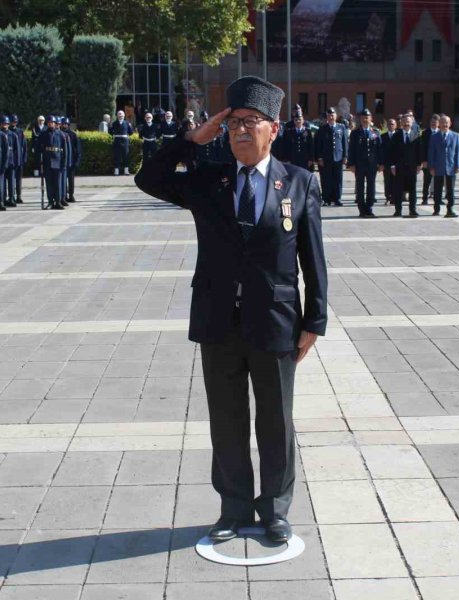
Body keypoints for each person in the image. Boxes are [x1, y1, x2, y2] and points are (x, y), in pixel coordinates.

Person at [134, 75, 328, 545]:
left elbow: (313, 257)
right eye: (234, 121)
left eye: (252, 121)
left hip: (276, 320)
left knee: (276, 421)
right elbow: (149, 179)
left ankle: (275, 510)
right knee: (226, 419)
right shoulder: (208, 180)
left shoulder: (298, 182)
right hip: (218, 319)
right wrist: (191, 139)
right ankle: (234, 507)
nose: (241, 130)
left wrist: (315, 320)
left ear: (273, 128)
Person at [348, 109, 381, 218]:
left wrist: (381, 163)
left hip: (372, 164)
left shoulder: (375, 132)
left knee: (371, 186)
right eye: (363, 118)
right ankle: (362, 209)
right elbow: (351, 149)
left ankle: (369, 208)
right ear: (360, 119)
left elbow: (380, 149)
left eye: (367, 118)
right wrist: (351, 164)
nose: (365, 120)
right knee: (360, 187)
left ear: (371, 119)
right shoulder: (355, 133)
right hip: (359, 165)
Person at [427, 114, 459, 218]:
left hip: (451, 167)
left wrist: (458, 165)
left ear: (450, 124)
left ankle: (450, 209)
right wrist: (431, 167)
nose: (444, 125)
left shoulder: (455, 136)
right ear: (439, 124)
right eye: (442, 123)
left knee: (450, 190)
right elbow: (431, 153)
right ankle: (436, 209)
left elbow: (458, 152)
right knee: (437, 190)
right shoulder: (434, 137)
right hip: (438, 167)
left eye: (446, 123)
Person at [313, 107, 347, 207]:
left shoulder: (341, 127)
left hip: (338, 157)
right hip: (326, 158)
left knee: (338, 179)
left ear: (336, 116)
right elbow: (319, 144)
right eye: (329, 115)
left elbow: (344, 143)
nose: (331, 117)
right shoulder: (322, 129)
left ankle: (337, 198)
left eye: (332, 115)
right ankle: (326, 199)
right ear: (327, 117)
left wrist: (345, 156)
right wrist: (319, 157)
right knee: (326, 179)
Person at [390, 114, 420, 218]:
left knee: (412, 190)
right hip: (399, 167)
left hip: (412, 167)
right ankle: (398, 210)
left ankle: (413, 210)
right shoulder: (396, 135)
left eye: (408, 122)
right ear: (401, 123)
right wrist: (392, 165)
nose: (406, 123)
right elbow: (392, 151)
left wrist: (419, 164)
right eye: (404, 122)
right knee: (398, 190)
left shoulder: (416, 135)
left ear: (412, 123)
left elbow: (419, 151)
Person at [40, 115, 69, 209]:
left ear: (55, 124)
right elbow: (39, 149)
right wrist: (40, 163)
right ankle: (50, 202)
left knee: (57, 183)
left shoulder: (61, 134)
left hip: (58, 161)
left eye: (52, 123)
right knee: (49, 184)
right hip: (47, 162)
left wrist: (64, 163)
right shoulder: (43, 134)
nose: (50, 124)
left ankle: (58, 201)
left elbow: (65, 150)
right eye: (49, 123)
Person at [419, 114, 439, 205]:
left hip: (438, 162)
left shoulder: (441, 132)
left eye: (435, 122)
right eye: (432, 122)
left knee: (438, 182)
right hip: (428, 161)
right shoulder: (425, 133)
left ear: (438, 123)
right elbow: (422, 148)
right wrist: (423, 161)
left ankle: (437, 199)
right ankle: (425, 199)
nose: (433, 124)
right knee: (426, 181)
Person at [61, 117, 81, 202]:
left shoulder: (73, 134)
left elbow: (78, 149)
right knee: (63, 180)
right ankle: (64, 195)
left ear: (68, 125)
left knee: (71, 180)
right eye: (63, 124)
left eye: (66, 124)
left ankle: (71, 195)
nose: (64, 125)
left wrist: (77, 161)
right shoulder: (60, 133)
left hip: (71, 160)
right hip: (62, 160)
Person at [1, 116, 18, 207]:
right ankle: (3, 198)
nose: (5, 125)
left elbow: (16, 150)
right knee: (2, 181)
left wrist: (17, 162)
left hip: (11, 161)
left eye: (6, 123)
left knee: (11, 182)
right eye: (3, 123)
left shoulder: (13, 135)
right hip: (2, 161)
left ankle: (11, 198)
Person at [380, 116, 398, 207]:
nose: (391, 125)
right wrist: (381, 163)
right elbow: (381, 150)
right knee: (387, 181)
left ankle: (394, 198)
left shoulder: (399, 136)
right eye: (389, 124)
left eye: (392, 124)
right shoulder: (382, 136)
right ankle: (388, 197)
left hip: (396, 163)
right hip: (386, 163)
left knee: (395, 181)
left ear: (396, 125)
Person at [110, 110, 133, 175]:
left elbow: (131, 132)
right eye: (119, 115)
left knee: (126, 155)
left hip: (125, 141)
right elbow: (110, 131)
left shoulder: (127, 123)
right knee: (117, 156)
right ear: (117, 116)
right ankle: (116, 171)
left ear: (124, 115)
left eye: (122, 115)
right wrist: (114, 133)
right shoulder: (114, 123)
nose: (120, 116)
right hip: (117, 141)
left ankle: (126, 171)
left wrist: (130, 127)